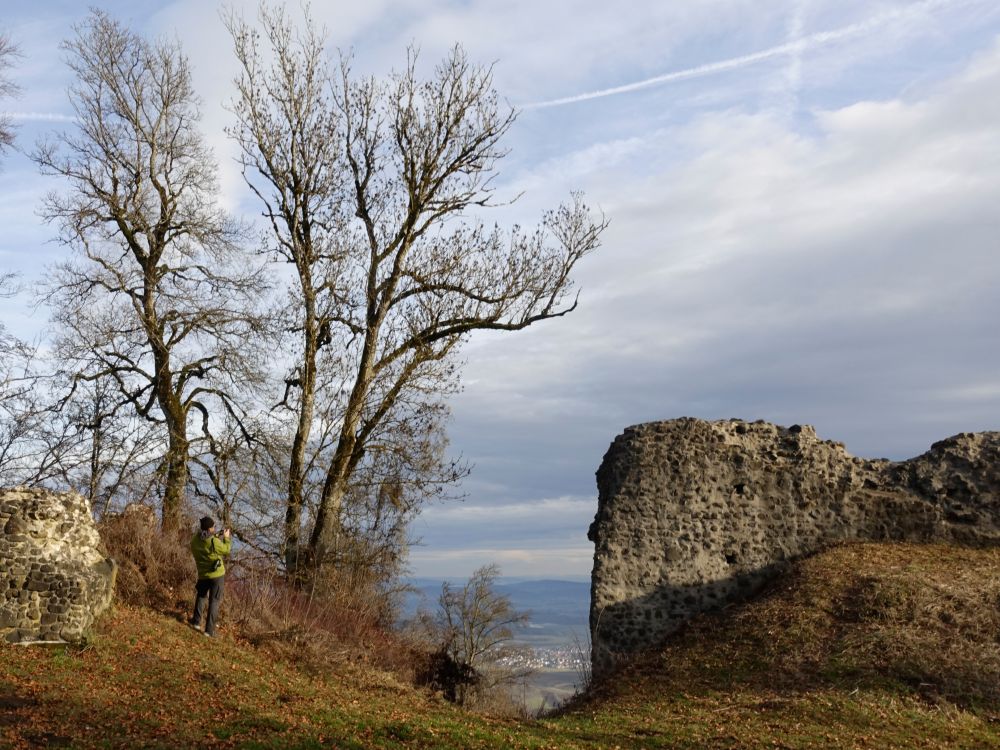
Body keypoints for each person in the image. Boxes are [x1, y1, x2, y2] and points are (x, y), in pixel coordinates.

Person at [188, 516, 231, 637]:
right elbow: (226, 550)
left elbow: (206, 541)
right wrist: (226, 538)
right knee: (214, 601)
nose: (214, 528)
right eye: (213, 527)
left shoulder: (195, 539)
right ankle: (209, 631)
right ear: (210, 528)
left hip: (203, 573)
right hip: (217, 575)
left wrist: (216, 536)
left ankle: (196, 622)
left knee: (201, 596)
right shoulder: (213, 542)